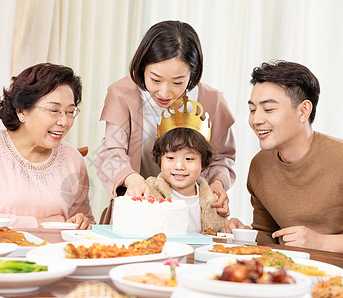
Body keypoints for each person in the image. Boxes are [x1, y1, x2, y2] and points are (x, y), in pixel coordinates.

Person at [96, 20, 235, 222]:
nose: (164, 92)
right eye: (155, 79)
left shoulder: (212, 101)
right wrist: (131, 178)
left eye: (178, 82)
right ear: (142, 67)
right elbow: (111, 151)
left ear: (193, 74)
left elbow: (223, 157)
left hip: (194, 217)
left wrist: (217, 183)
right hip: (139, 212)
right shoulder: (123, 95)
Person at [0, 63, 95, 229]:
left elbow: (86, 223)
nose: (64, 121)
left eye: (70, 112)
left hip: (54, 253)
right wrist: (39, 224)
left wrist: (81, 222)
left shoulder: (73, 159)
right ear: (21, 110)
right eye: (53, 110)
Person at [223, 60, 343, 253]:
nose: (256, 120)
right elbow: (266, 233)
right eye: (252, 110)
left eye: (268, 109)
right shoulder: (259, 165)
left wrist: (320, 242)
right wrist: (244, 234)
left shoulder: (339, 158)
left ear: (304, 111)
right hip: (287, 275)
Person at [147, 127, 226, 233]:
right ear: (160, 160)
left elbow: (220, 232)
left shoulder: (213, 199)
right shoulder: (149, 192)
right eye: (170, 158)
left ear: (203, 164)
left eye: (189, 159)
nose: (179, 166)